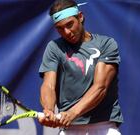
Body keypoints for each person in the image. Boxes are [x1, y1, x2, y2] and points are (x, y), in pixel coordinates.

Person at [38, 0, 123, 135]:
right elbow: (48, 85)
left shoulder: (106, 44)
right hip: (69, 129)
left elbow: (100, 88)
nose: (66, 32)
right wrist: (48, 110)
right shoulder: (54, 48)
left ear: (81, 17)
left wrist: (72, 113)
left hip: (104, 127)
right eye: (60, 28)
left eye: (69, 24)